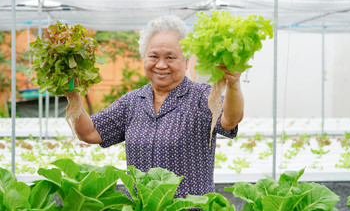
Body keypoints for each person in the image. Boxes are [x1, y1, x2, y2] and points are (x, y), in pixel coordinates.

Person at [68, 15, 244, 199]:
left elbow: (230, 120)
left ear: (186, 62)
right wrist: (73, 95)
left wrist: (233, 84)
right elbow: (90, 133)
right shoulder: (133, 101)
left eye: (170, 57)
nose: (161, 65)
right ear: (143, 58)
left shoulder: (201, 97)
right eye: (153, 56)